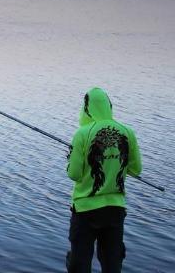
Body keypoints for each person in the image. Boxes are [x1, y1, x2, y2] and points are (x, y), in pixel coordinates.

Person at [66, 87, 142, 273]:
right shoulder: (127, 131)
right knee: (112, 266)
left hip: (85, 210)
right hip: (115, 210)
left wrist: (71, 157)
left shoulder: (82, 134)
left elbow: (74, 174)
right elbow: (135, 169)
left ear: (87, 107)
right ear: (109, 106)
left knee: (80, 266)